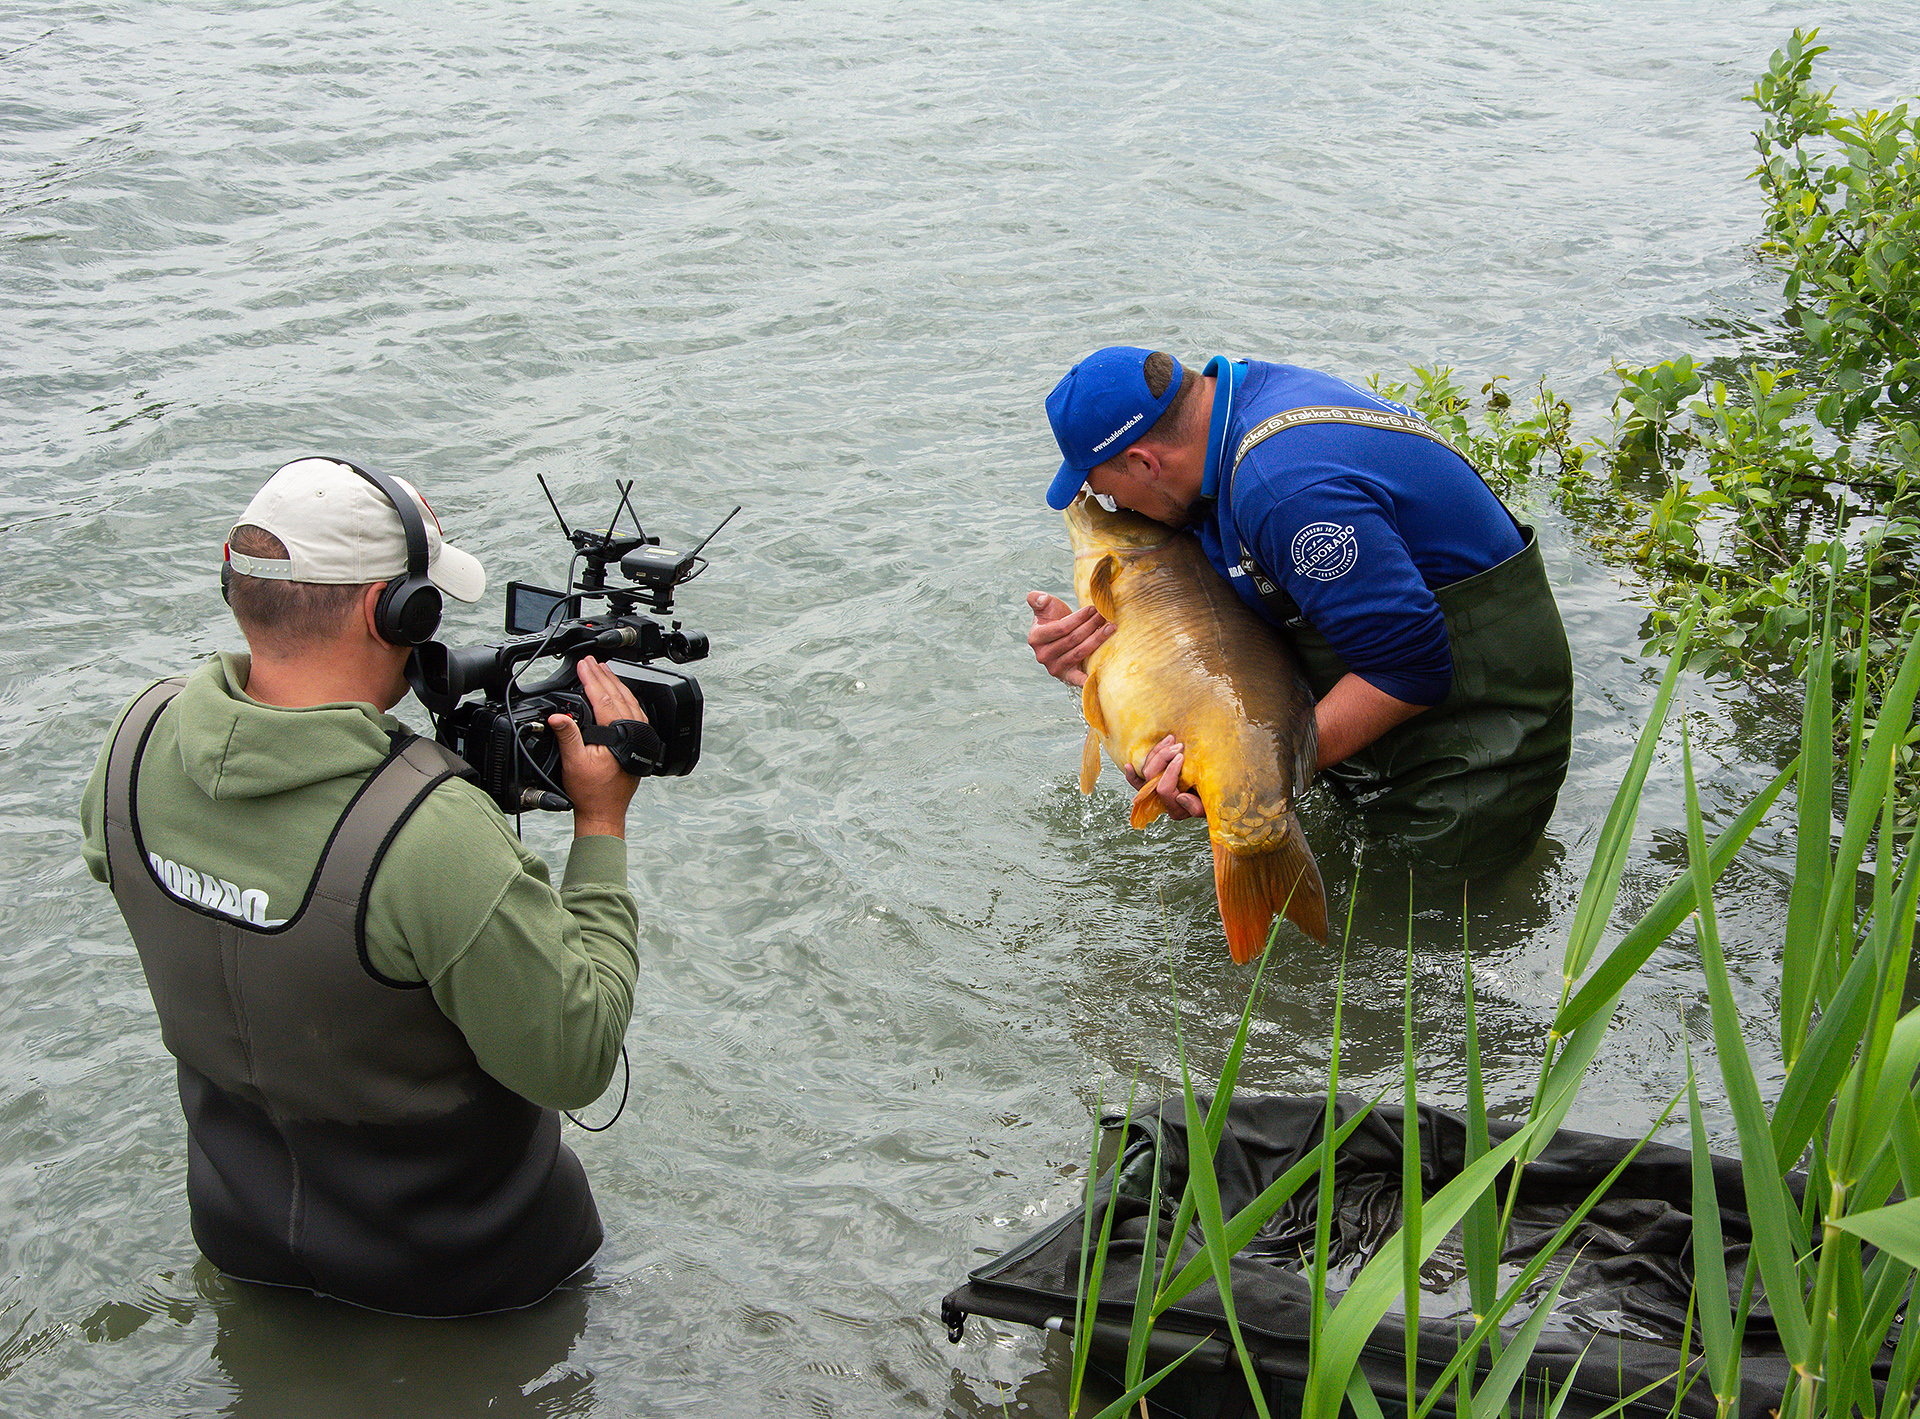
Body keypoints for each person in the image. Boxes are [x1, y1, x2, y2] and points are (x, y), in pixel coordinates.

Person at [79, 456, 645, 1317]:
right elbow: (576, 1058)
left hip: (246, 1242)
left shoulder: (134, 743)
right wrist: (600, 824)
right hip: (469, 1284)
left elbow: (150, 870)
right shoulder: (429, 830)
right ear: (397, 613)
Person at [1027, 346, 1573, 874]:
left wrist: (1242, 778)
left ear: (1144, 461)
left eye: (1105, 493)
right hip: (1384, 740)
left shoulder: (1283, 487)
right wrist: (1108, 662)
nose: (1115, 509)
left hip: (1473, 760)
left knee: (1419, 946)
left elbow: (1412, 669)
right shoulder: (1233, 412)